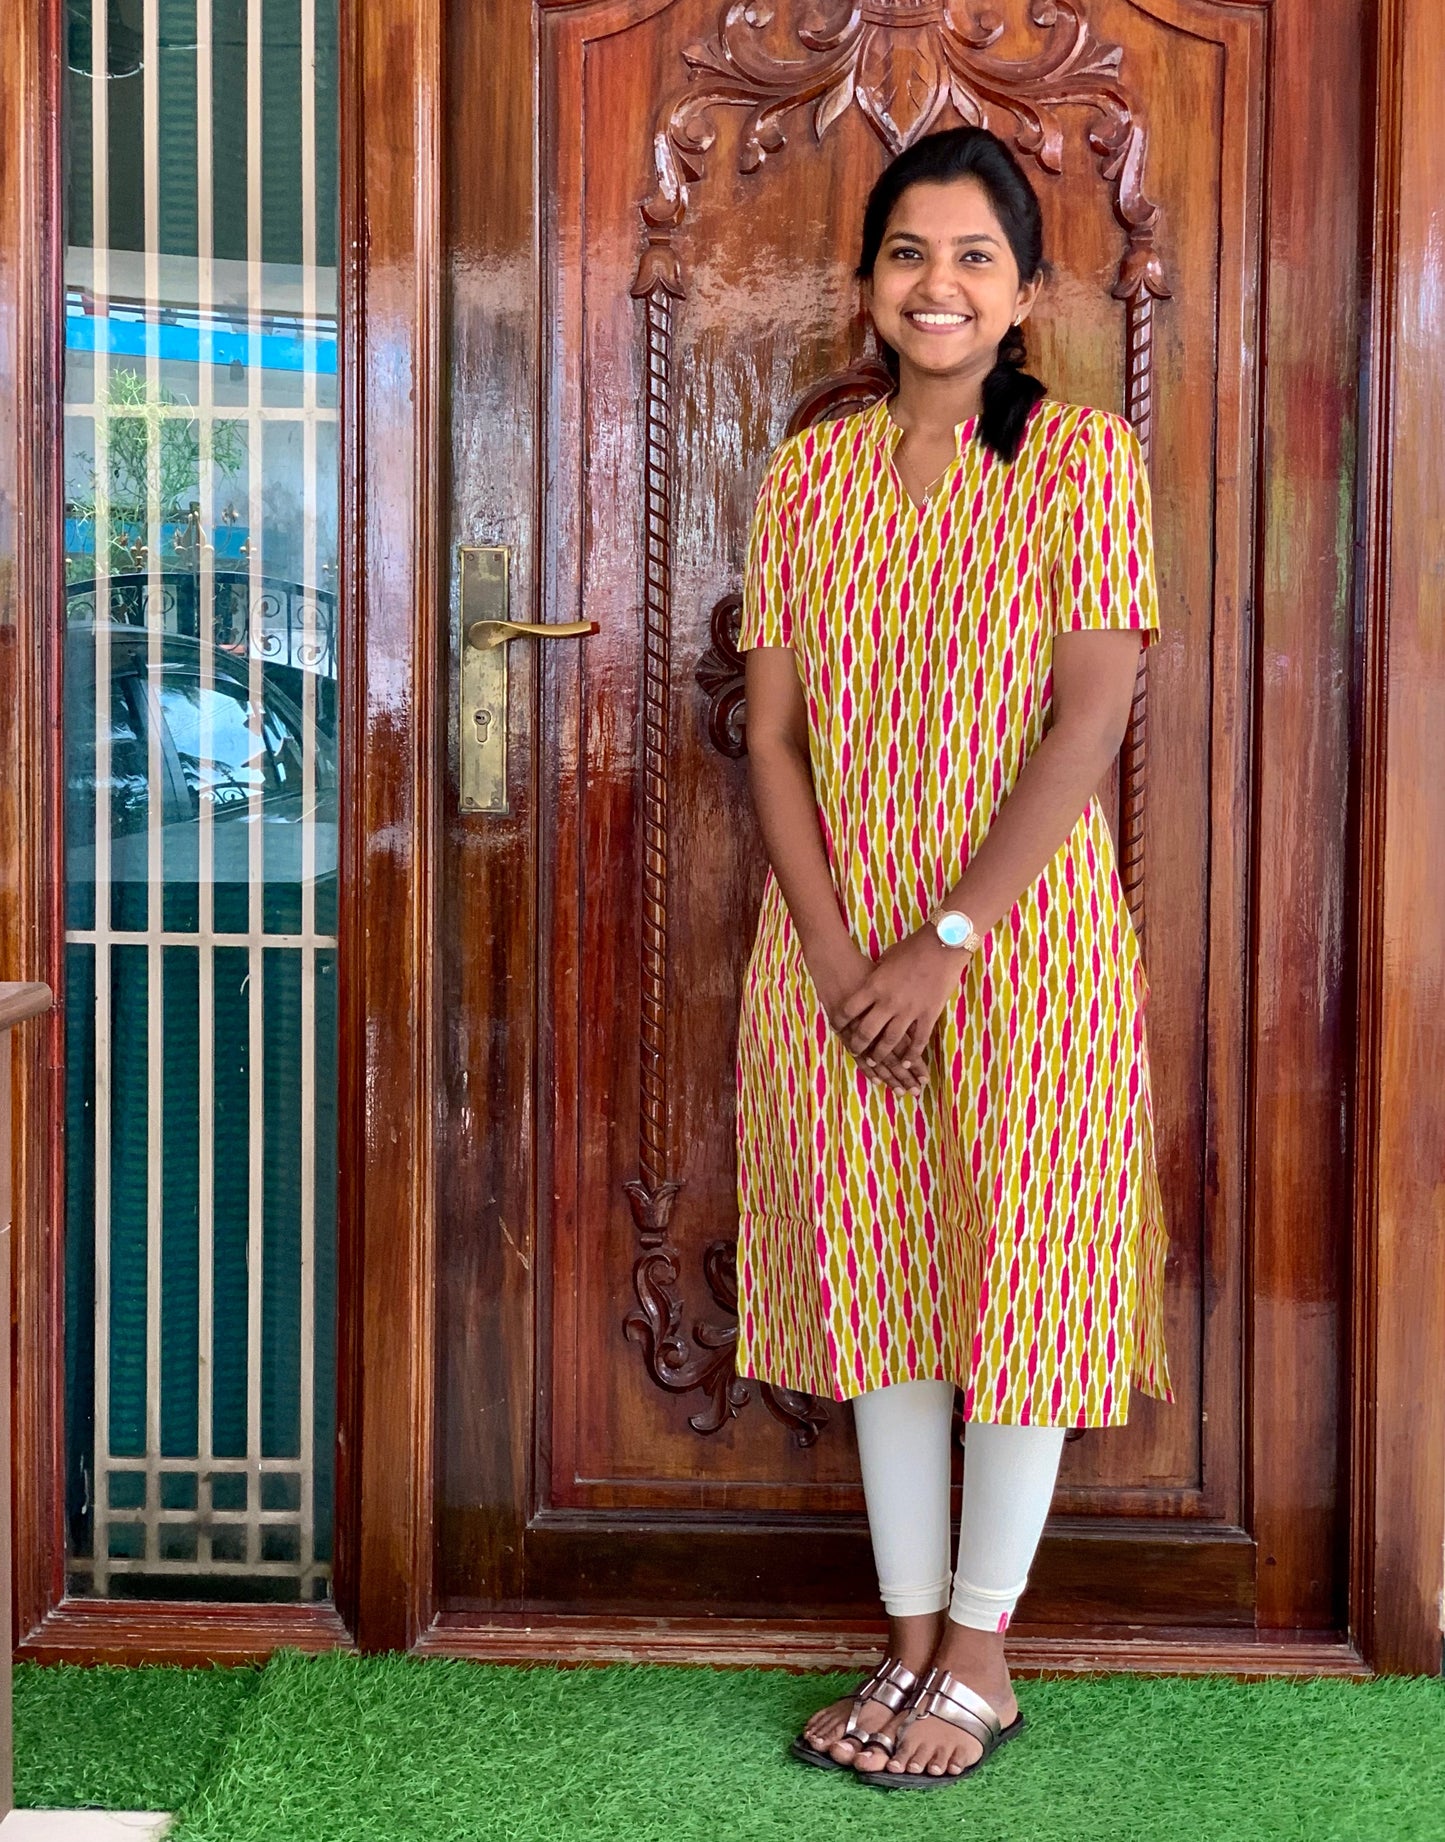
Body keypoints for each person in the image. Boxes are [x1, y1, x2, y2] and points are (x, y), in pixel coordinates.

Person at [734, 125, 1172, 1791]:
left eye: (973, 256)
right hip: (833, 957)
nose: (938, 284)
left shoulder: (1079, 461)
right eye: (908, 253)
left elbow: (1093, 709)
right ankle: (906, 1629)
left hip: (1025, 947)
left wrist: (945, 938)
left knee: (1023, 1275)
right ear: (866, 284)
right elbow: (770, 739)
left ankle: (981, 1641)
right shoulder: (810, 472)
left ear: (1022, 292)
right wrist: (848, 951)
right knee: (882, 1280)